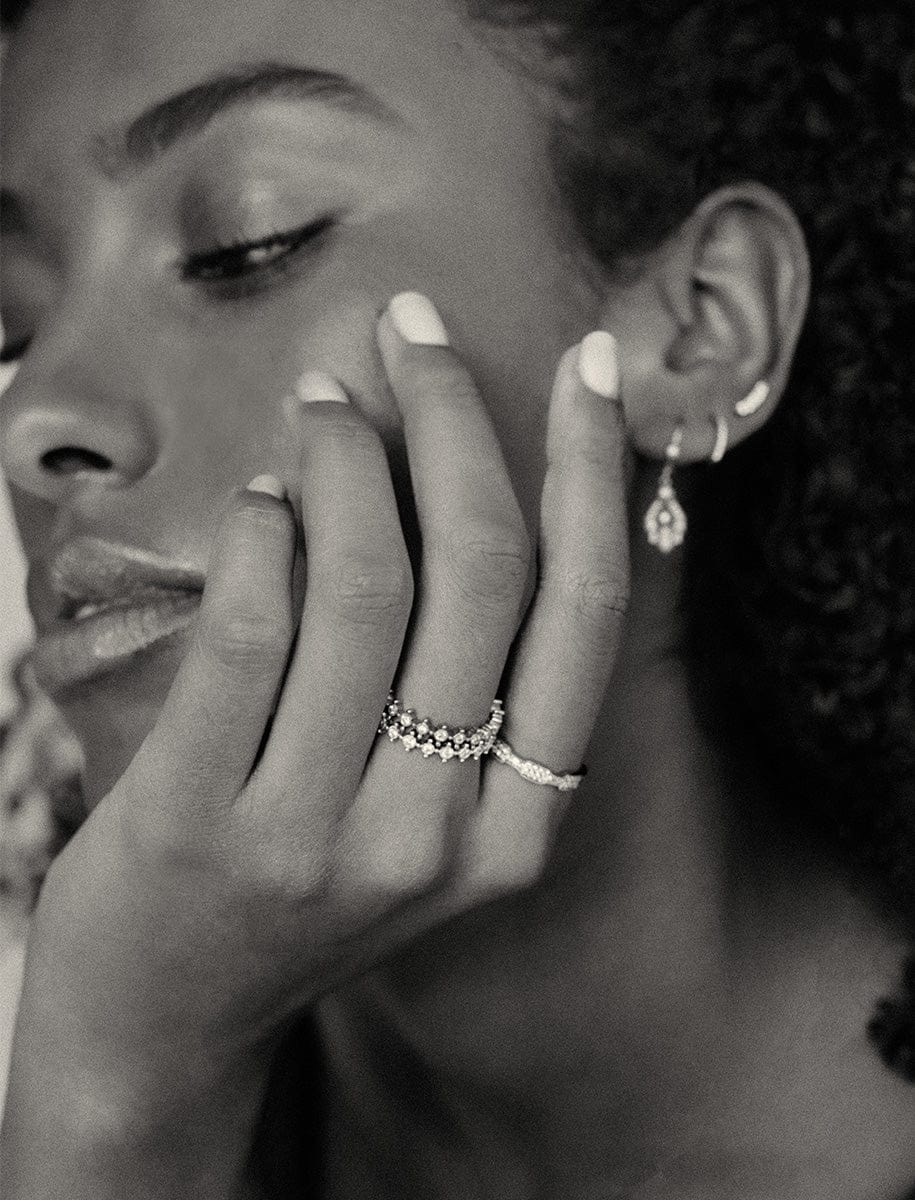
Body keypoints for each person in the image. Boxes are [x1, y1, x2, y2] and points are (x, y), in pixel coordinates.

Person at [0, 0, 913, 1195]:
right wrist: (118, 1103)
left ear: (704, 328)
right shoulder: (77, 1065)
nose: (35, 418)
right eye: (12, 326)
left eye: (247, 245)